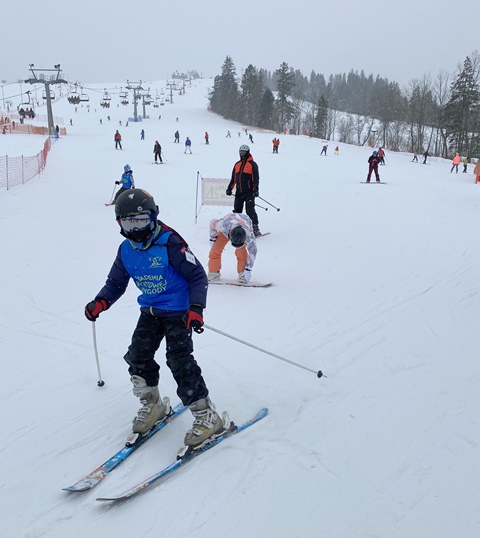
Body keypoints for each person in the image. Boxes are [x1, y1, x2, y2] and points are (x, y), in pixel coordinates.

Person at [84, 189, 224, 450]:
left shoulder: (170, 243)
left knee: (178, 359)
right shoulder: (126, 250)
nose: (136, 229)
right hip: (150, 311)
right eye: (129, 223)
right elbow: (116, 282)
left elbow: (197, 276)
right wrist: (101, 301)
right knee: (138, 356)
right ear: (119, 224)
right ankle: (153, 405)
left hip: (179, 311)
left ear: (153, 216)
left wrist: (196, 308)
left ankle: (207, 416)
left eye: (141, 220)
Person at [207, 212, 257, 284]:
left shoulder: (249, 234)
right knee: (215, 251)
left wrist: (248, 269)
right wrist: (213, 238)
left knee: (241, 253)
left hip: (243, 224)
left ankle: (242, 274)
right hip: (227, 228)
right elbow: (212, 223)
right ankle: (213, 273)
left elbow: (253, 251)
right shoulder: (222, 225)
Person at [226, 145, 261, 237]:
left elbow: (256, 179)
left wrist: (255, 189)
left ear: (247, 152)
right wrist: (229, 188)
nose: (241, 154)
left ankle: (255, 228)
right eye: (240, 152)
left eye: (243, 152)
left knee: (250, 210)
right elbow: (233, 178)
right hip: (239, 191)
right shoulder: (237, 164)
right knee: (237, 210)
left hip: (249, 191)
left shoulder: (252, 164)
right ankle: (236, 227)